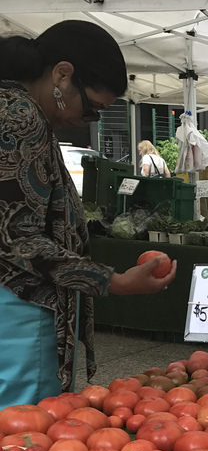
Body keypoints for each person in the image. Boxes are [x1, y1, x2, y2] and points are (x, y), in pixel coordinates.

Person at [0, 20, 177, 409]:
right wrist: (113, 281)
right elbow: (18, 237)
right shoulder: (21, 117)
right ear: (62, 75)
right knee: (21, 430)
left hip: (14, 302)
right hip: (18, 303)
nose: (88, 120)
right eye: (92, 108)